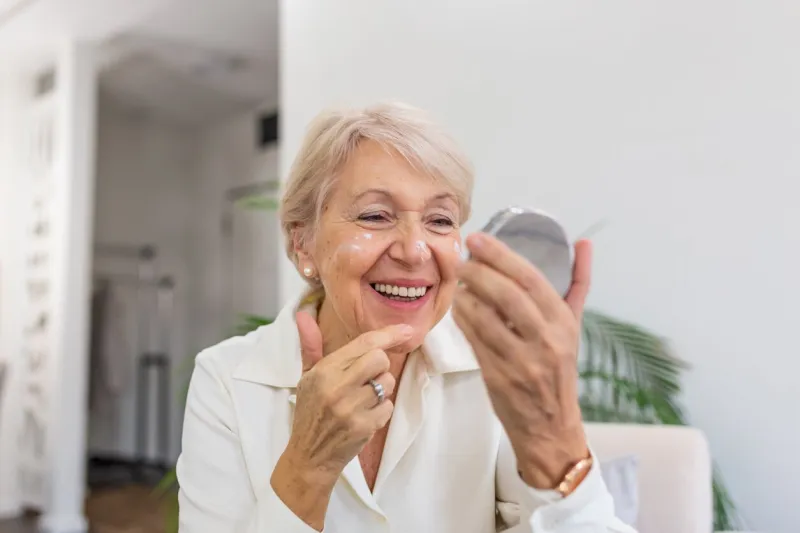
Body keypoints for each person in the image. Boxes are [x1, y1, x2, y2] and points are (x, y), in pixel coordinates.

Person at [176, 102, 636, 533]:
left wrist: (553, 431)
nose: (415, 251)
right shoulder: (227, 379)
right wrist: (308, 465)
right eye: (375, 215)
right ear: (304, 244)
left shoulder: (492, 370)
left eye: (440, 220)